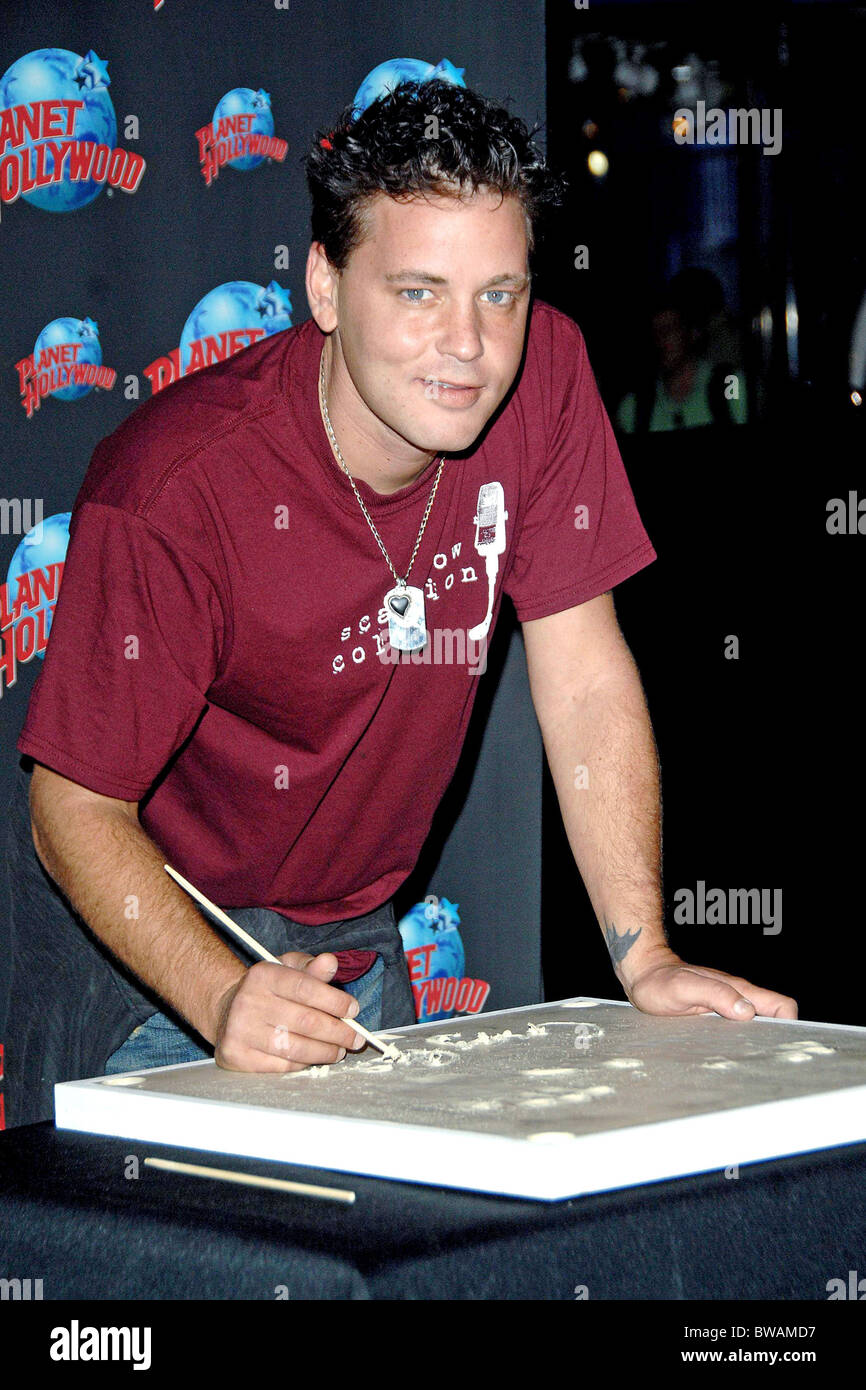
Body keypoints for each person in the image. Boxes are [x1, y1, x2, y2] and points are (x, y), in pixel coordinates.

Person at [5, 79, 796, 1129]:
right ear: (325, 289)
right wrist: (220, 992)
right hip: (153, 928)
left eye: (498, 293)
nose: (467, 345)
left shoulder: (545, 375)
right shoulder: (174, 489)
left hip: (351, 926)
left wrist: (642, 953)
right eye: (418, 292)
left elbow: (584, 676)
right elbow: (71, 806)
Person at [617, 269, 748, 433]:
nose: (660, 341)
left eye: (669, 330)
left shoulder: (732, 388)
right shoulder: (634, 407)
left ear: (692, 333)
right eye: (654, 332)